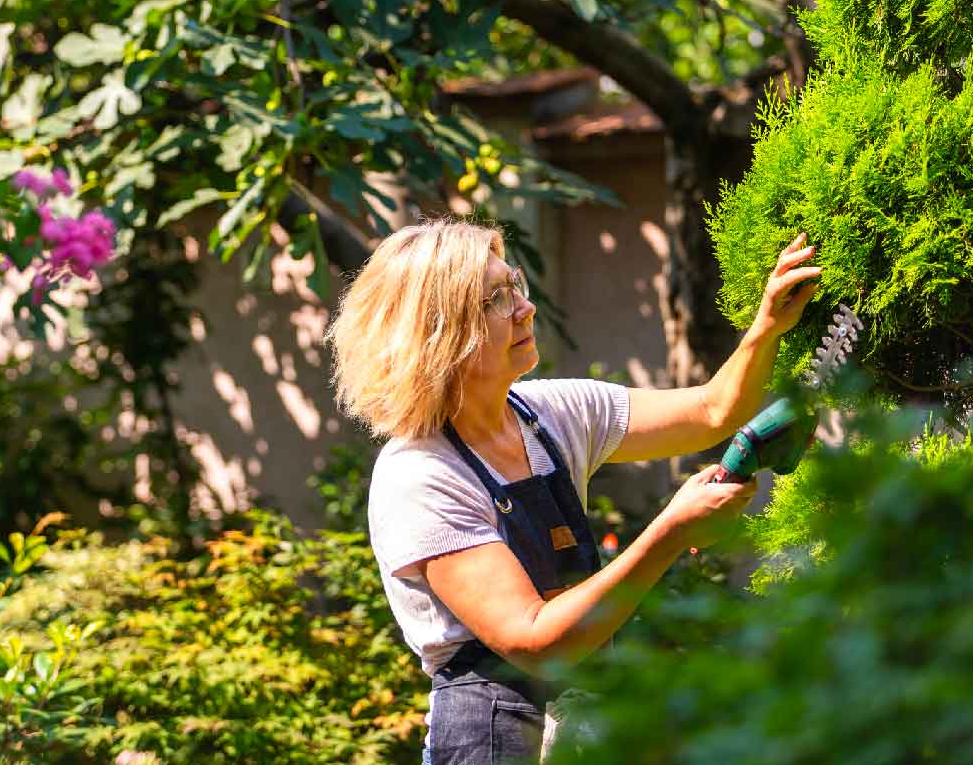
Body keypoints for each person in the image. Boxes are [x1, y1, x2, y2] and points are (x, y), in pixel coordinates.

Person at [327, 219, 820, 764]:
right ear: (441, 335)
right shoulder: (420, 474)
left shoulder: (549, 413)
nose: (524, 308)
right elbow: (537, 642)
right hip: (490, 740)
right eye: (495, 299)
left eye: (514, 284)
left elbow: (711, 412)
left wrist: (767, 327)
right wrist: (672, 530)